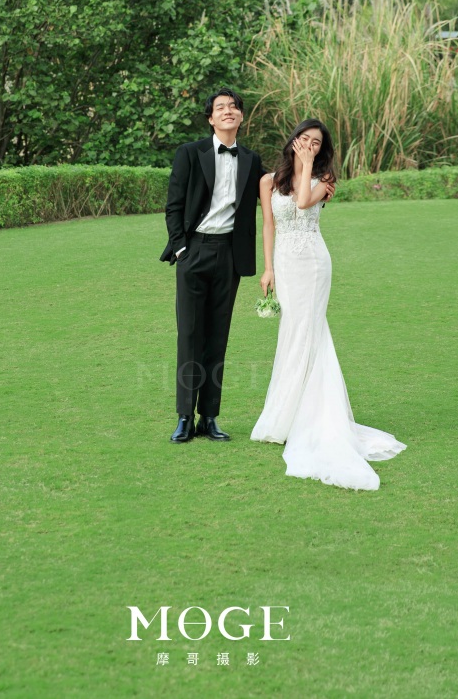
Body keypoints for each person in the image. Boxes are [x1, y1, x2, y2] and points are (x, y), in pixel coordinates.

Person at [251, 119, 406, 490]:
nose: (308, 145)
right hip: (285, 263)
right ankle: (285, 415)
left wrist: (307, 167)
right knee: (293, 331)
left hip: (313, 263)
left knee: (308, 330)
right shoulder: (268, 181)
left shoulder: (324, 180)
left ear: (322, 150)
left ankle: (309, 418)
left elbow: (303, 203)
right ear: (292, 140)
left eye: (316, 143)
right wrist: (268, 268)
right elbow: (269, 225)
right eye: (303, 139)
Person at [161, 88, 265, 443]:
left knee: (217, 338)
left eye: (233, 107)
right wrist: (181, 249)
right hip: (194, 252)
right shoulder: (190, 153)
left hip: (229, 256)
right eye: (220, 107)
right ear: (211, 118)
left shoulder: (251, 159)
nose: (228, 111)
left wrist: (317, 184)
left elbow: (277, 190)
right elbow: (174, 205)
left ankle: (209, 417)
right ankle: (184, 417)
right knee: (190, 335)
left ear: (241, 116)